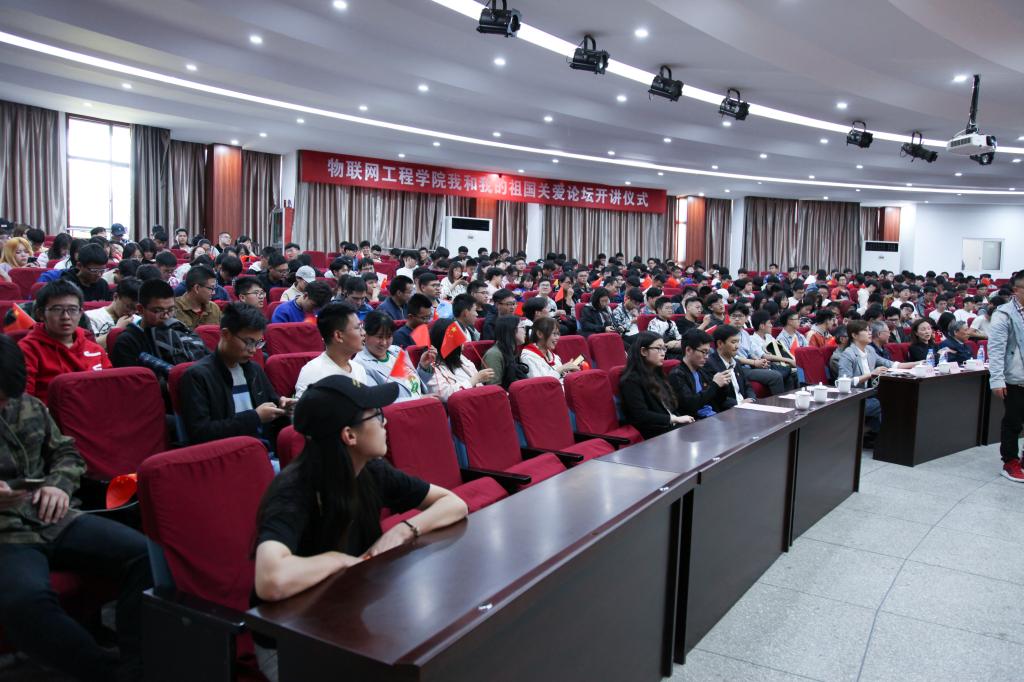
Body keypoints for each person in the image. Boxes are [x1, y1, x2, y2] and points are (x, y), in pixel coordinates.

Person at [0, 334, 153, 682]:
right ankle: (105, 674)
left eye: (8, 398)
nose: (5, 405)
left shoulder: (27, 406)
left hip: (52, 516)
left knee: (145, 556)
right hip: (7, 535)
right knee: (26, 602)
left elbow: (66, 453)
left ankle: (136, 665)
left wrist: (59, 484)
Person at [253, 375, 468, 605]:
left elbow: (454, 504)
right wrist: (337, 560)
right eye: (377, 416)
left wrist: (404, 530)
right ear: (349, 435)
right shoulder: (293, 490)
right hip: (300, 616)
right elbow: (270, 580)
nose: (385, 423)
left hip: (353, 598)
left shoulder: (371, 470)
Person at [178, 303, 293, 445]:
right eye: (248, 342)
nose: (253, 350)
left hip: (263, 448)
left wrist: (282, 407)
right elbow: (200, 433)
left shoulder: (255, 370)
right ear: (225, 334)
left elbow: (271, 405)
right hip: (228, 452)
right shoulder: (197, 376)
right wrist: (254, 417)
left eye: (258, 343)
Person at [18, 280, 111, 403]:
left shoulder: (94, 349)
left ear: (80, 313)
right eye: (57, 309)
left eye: (72, 309)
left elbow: (110, 389)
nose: (66, 317)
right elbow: (23, 402)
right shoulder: (27, 349)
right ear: (40, 314)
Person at [835, 320, 918, 447]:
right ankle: (883, 440)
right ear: (854, 335)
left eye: (870, 330)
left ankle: (884, 437)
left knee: (898, 397)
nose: (870, 333)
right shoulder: (848, 354)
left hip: (870, 394)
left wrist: (918, 363)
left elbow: (892, 365)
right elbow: (843, 383)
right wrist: (871, 374)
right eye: (866, 330)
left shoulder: (869, 350)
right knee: (885, 403)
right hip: (855, 398)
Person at [110, 278, 210, 380]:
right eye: (158, 311)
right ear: (140, 309)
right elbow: (133, 383)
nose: (166, 316)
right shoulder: (127, 341)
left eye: (171, 310)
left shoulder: (179, 329)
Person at [618, 332, 695, 439]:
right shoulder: (631, 380)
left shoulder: (657, 373)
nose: (663, 353)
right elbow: (641, 415)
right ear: (644, 351)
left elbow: (670, 407)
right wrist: (675, 419)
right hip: (654, 433)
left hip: (670, 427)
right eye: (658, 348)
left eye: (664, 348)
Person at [987, 272, 1024, 481]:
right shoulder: (1004, 314)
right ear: (1016, 290)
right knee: (1013, 421)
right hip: (1014, 376)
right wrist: (997, 379)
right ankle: (1010, 462)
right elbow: (996, 349)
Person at [354, 311, 436, 401]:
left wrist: (423, 367)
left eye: (388, 336)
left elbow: (412, 384)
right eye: (379, 337)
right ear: (365, 335)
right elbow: (378, 402)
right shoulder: (360, 365)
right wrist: (419, 399)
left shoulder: (396, 351)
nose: (384, 343)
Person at [294, 302, 368, 398]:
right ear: (338, 336)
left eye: (362, 327)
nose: (363, 333)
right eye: (358, 328)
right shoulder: (312, 372)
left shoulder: (359, 369)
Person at [669, 330, 733, 419]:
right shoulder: (677, 375)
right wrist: (715, 385)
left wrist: (723, 386)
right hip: (694, 422)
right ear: (688, 350)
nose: (706, 357)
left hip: (713, 416)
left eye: (708, 352)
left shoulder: (702, 371)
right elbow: (691, 405)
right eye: (703, 352)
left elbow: (719, 401)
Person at [426, 318, 494, 401]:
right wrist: (474, 380)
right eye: (459, 339)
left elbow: (479, 387)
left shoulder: (459, 357)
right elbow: (444, 395)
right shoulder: (431, 366)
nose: (463, 343)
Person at [730, 306, 786, 395]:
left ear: (746, 318)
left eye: (740, 316)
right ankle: (779, 403)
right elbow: (732, 357)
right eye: (734, 316)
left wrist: (759, 361)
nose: (737, 319)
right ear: (729, 317)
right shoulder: (727, 333)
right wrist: (754, 362)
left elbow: (749, 353)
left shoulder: (745, 333)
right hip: (737, 368)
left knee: (787, 372)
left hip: (749, 365)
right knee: (776, 376)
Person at [705, 325, 755, 407]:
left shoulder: (736, 362)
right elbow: (716, 397)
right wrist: (739, 404)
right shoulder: (710, 365)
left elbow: (747, 386)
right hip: (729, 410)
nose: (737, 346)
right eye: (733, 342)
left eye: (738, 342)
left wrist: (752, 399)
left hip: (746, 406)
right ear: (720, 343)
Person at [86, 276, 141, 348]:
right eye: (128, 307)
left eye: (135, 309)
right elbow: (90, 346)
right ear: (115, 297)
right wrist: (117, 329)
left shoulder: (138, 320)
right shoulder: (91, 317)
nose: (131, 313)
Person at [482, 315, 527, 388]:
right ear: (512, 330)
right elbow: (493, 388)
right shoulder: (494, 355)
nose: (525, 331)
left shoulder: (512, 350)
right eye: (522, 327)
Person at [173, 265, 222, 331]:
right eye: (211, 288)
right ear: (196, 288)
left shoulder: (214, 308)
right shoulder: (174, 308)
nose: (214, 293)